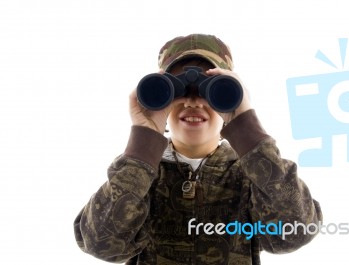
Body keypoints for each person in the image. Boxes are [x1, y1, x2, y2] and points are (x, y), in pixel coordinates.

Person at [74, 33, 323, 265]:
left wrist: (246, 125)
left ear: (230, 94)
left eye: (210, 88)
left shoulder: (250, 174)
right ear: (161, 95)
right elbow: (100, 244)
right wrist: (144, 140)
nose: (193, 101)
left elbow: (295, 233)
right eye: (177, 90)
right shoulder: (138, 174)